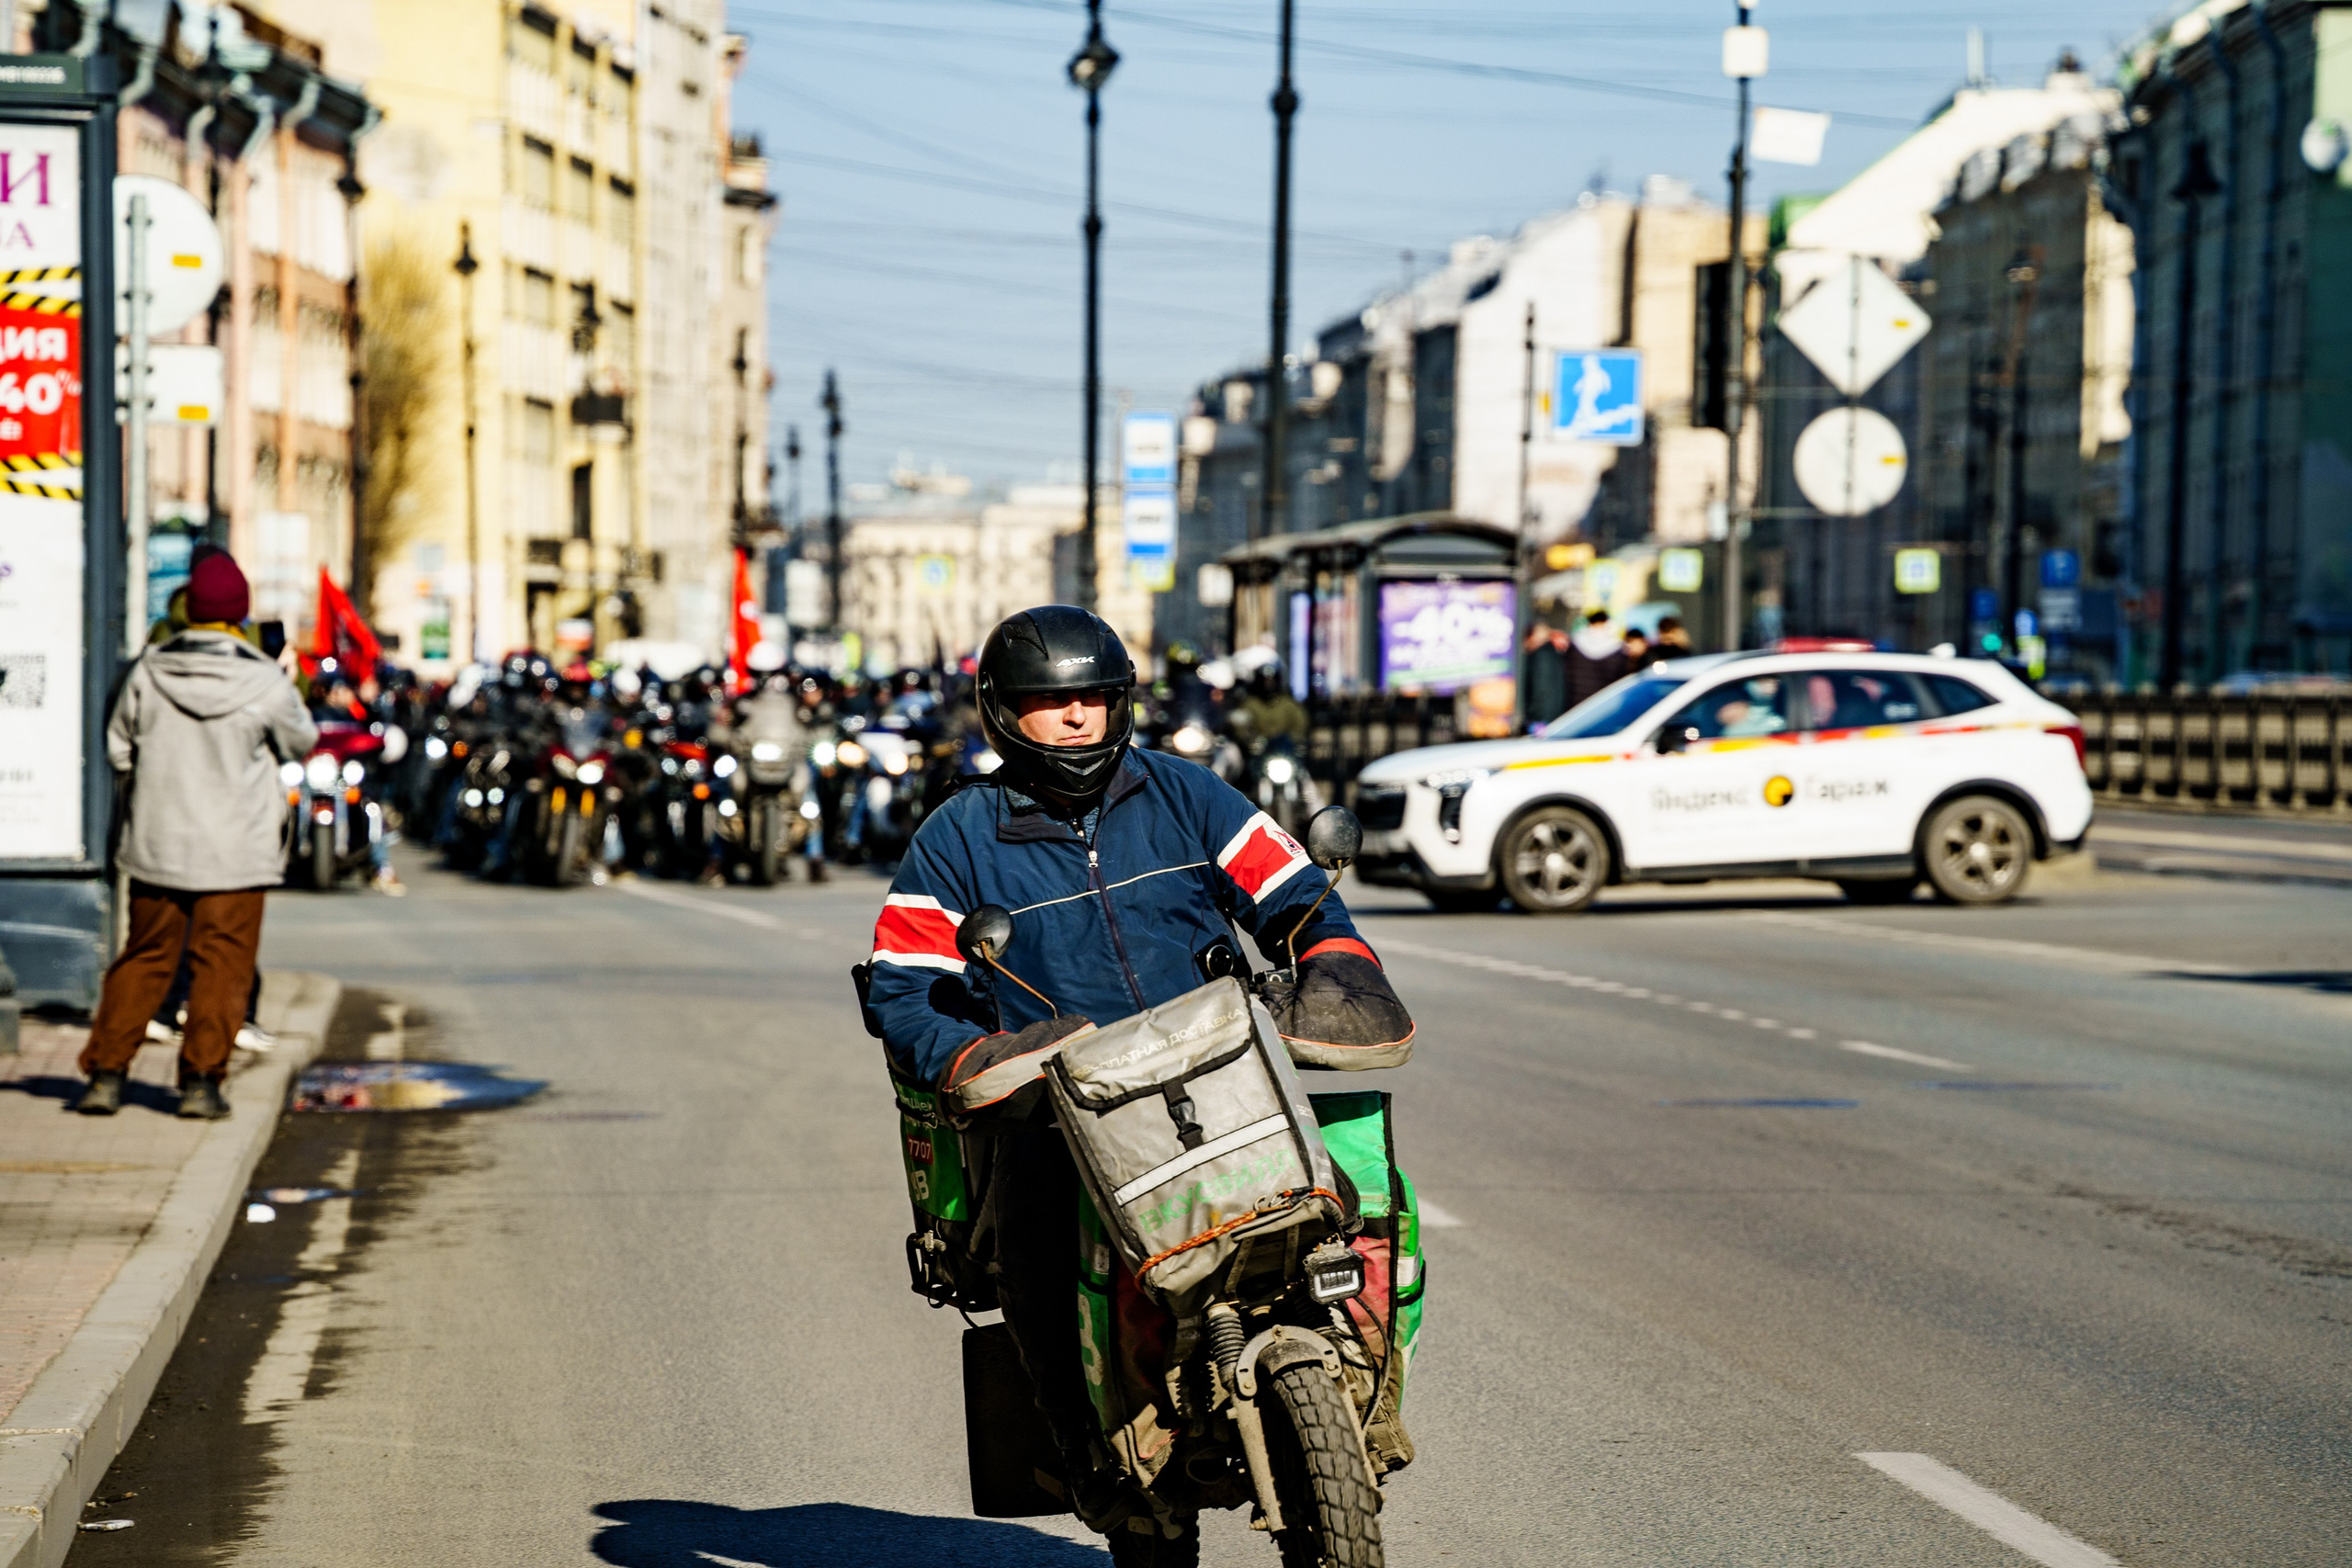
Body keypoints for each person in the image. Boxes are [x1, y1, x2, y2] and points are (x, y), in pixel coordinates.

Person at [860, 605, 1412, 1534]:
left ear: (1121, 702)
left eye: (1091, 696)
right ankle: (1086, 1454)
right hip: (1061, 1109)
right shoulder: (956, 839)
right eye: (1048, 701)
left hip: (1225, 1080)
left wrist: (1336, 970)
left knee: (1361, 1214)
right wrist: (973, 1053)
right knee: (1032, 1256)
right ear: (1004, 714)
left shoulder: (1191, 797)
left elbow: (1300, 906)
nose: (1074, 717)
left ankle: (1363, 1399)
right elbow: (903, 990)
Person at [74, 553, 317, 1119]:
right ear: (239, 614)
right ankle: (201, 1085)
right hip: (237, 851)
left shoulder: (149, 671)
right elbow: (301, 741)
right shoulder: (262, 679)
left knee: (145, 957)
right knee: (222, 963)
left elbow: (117, 749)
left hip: (158, 843)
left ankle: (107, 1074)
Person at [1565, 609, 1628, 706]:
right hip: (1602, 706)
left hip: (1576, 705)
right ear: (1606, 623)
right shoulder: (1616, 649)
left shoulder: (1575, 645)